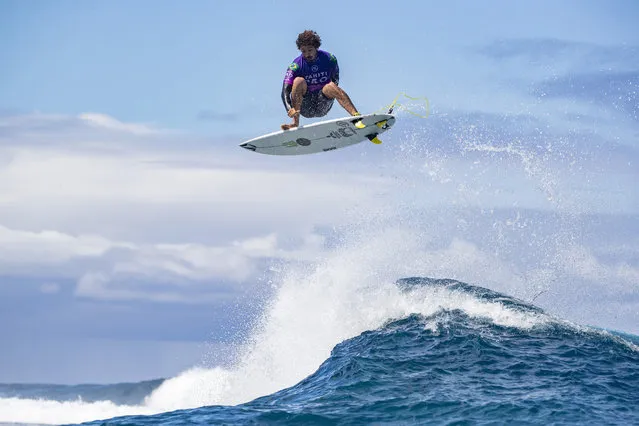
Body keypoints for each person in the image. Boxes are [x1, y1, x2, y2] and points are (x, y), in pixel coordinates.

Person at [281, 30, 362, 130]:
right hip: (305, 106)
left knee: (330, 86)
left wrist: (327, 93)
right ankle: (295, 122)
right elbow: (284, 91)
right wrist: (289, 108)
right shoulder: (296, 65)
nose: (307, 54)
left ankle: (356, 117)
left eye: (310, 50)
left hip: (323, 103)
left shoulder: (329, 59)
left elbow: (335, 80)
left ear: (316, 47)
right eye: (303, 51)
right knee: (298, 81)